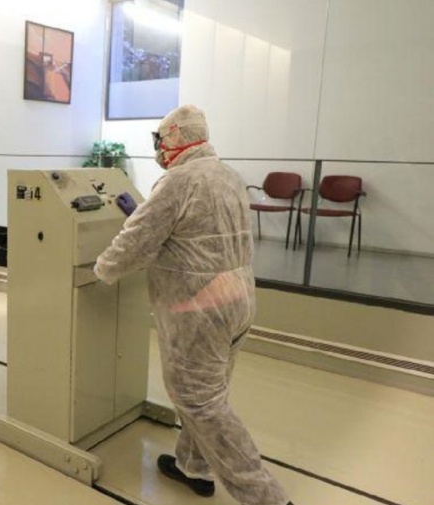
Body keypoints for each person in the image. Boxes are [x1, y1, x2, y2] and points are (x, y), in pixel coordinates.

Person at [94, 105, 292, 505]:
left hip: (200, 308)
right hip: (239, 297)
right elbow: (192, 232)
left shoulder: (178, 181)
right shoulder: (228, 176)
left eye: (160, 140)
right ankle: (193, 466)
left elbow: (136, 241)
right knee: (211, 391)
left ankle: (268, 497)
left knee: (201, 402)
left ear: (176, 138)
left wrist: (100, 270)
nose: (158, 149)